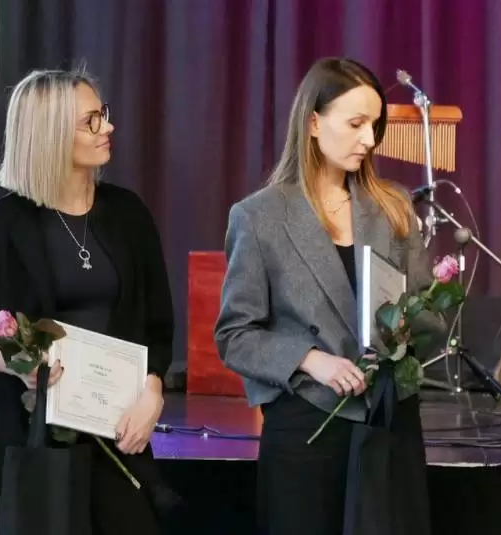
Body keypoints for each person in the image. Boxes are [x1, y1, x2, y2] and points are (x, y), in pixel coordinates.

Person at [0, 67, 174, 534]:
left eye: (103, 114)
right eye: (91, 121)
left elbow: (158, 327)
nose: (109, 126)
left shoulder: (129, 215)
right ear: (50, 134)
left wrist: (153, 393)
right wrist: (13, 361)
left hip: (118, 437)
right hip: (30, 444)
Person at [214, 57, 446, 535]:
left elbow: (427, 315)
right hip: (307, 430)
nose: (370, 140)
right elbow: (235, 335)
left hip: (388, 421)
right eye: (356, 124)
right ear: (314, 123)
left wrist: (408, 327)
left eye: (374, 126)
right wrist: (310, 359)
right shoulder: (258, 217)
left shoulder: (393, 207)